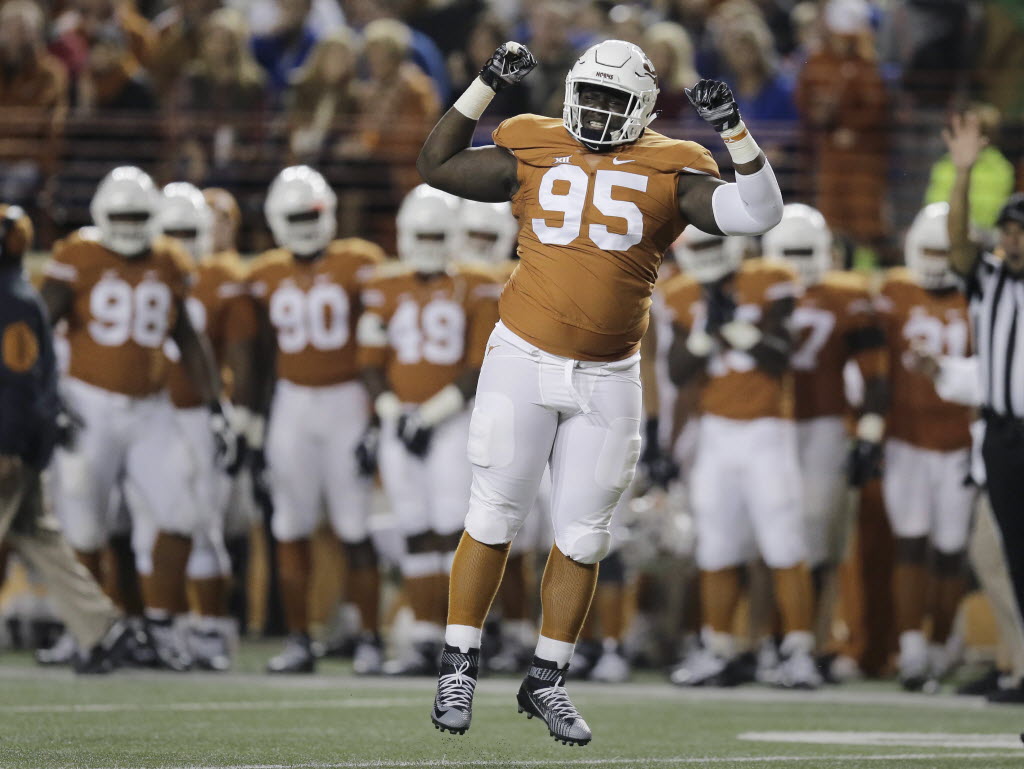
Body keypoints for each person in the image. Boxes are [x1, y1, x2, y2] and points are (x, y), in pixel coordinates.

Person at [417, 39, 783, 744]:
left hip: (610, 374)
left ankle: (546, 677)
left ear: (643, 108)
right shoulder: (533, 142)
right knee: (494, 514)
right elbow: (434, 164)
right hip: (522, 357)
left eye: (614, 100)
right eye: (589, 93)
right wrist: (487, 84)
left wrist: (735, 131)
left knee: (584, 534)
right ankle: (457, 662)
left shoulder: (674, 163)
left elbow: (757, 213)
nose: (597, 108)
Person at [39, 166, 235, 671]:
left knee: (181, 512)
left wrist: (215, 407)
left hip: (151, 408)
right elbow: (41, 331)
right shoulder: (76, 254)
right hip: (87, 405)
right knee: (82, 526)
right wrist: (49, 401)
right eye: (121, 214)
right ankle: (88, 630)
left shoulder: (170, 259)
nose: (128, 225)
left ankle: (162, 625)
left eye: (137, 216)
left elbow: (188, 338)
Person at [665, 226, 819, 690]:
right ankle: (718, 647)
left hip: (768, 428)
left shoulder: (770, 277)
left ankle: (797, 650)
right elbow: (676, 371)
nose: (709, 255)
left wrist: (732, 327)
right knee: (715, 546)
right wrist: (704, 334)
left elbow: (779, 355)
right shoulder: (681, 293)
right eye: (701, 247)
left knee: (784, 541)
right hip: (715, 431)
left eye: (715, 244)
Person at [356, 185, 500, 675]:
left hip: (452, 420)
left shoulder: (476, 283)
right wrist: (395, 413)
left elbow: (478, 364)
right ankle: (421, 637)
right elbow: (370, 362)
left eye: (438, 234)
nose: (429, 243)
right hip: (404, 421)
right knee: (414, 528)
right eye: (422, 234)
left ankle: (458, 640)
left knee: (450, 528)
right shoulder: (384, 286)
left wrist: (428, 415)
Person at [248, 165, 385, 674]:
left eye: (311, 214)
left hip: (346, 400)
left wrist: (376, 418)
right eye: (296, 216)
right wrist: (255, 425)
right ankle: (300, 637)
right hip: (291, 403)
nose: (305, 224)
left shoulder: (361, 262)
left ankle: (370, 636)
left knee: (355, 524)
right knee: (289, 525)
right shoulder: (263, 274)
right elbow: (259, 355)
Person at [0, 203, 131, 675]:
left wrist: (8, 448)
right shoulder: (18, 294)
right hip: (22, 443)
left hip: (6, 444)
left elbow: (16, 383)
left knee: (38, 534)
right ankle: (101, 628)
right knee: (39, 537)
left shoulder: (12, 300)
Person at [761, 203, 887, 662]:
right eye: (788, 250)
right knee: (765, 533)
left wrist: (869, 433)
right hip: (766, 424)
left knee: (817, 535)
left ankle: (812, 640)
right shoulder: (753, 286)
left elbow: (875, 376)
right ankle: (763, 639)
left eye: (804, 250)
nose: (797, 261)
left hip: (824, 425)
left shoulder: (845, 295)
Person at [158, 182, 258, 670]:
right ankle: (166, 627)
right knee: (151, 530)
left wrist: (235, 418)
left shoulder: (223, 276)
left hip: (201, 415)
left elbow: (242, 355)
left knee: (203, 526)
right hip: (153, 414)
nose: (180, 240)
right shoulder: (148, 271)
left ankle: (212, 629)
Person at [877, 202, 974, 691]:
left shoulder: (979, 296)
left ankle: (940, 645)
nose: (936, 261)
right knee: (912, 543)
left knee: (951, 550)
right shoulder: (893, 290)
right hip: (906, 438)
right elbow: (873, 365)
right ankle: (913, 647)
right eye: (929, 250)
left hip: (960, 441)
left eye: (944, 250)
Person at [945, 110, 1024, 702]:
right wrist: (963, 173)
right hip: (1000, 436)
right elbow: (956, 243)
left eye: (1021, 229)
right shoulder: (989, 282)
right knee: (1010, 553)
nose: (1012, 238)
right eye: (1009, 230)